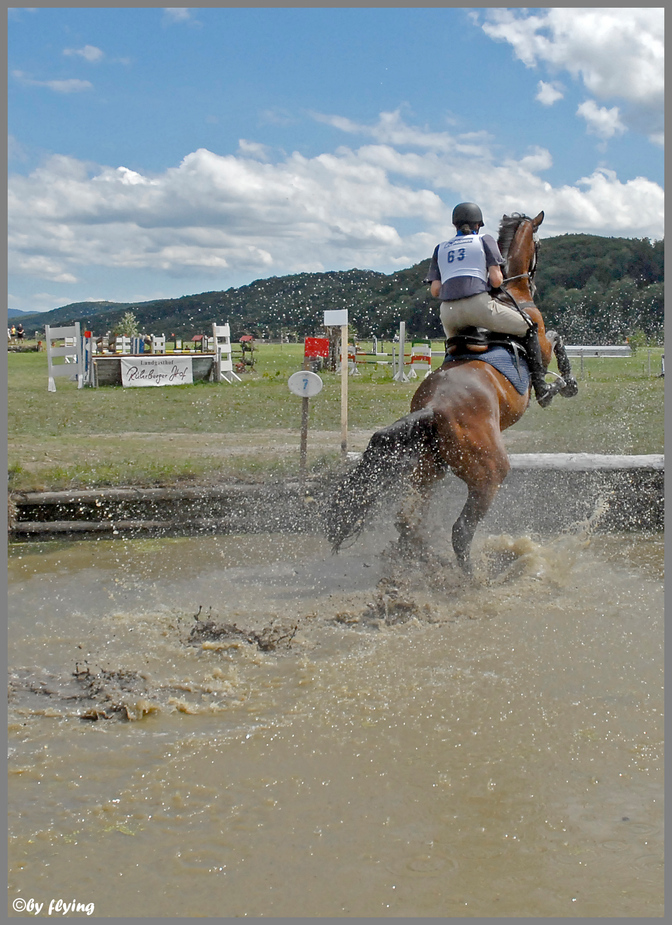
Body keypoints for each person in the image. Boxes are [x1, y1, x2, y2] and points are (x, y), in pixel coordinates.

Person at [426, 201, 564, 407]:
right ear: (478, 225)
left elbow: (435, 290)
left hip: (448, 313)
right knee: (529, 327)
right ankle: (541, 387)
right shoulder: (484, 240)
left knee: (456, 349)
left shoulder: (440, 248)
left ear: (454, 225)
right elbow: (497, 280)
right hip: (478, 307)